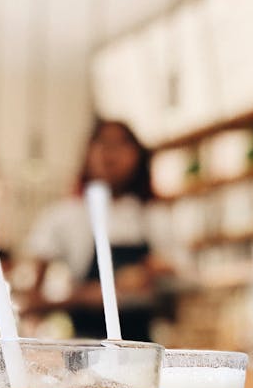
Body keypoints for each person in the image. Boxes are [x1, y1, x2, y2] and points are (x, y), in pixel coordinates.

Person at [24, 119, 171, 340]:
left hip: (141, 346)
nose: (110, 153)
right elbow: (31, 298)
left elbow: (187, 278)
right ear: (88, 152)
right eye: (103, 143)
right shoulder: (63, 217)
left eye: (121, 144)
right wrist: (84, 296)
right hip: (85, 345)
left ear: (137, 155)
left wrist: (152, 272)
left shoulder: (153, 217)